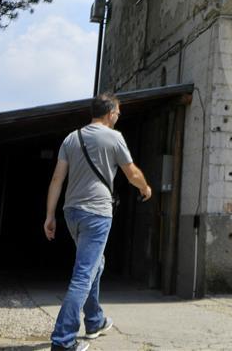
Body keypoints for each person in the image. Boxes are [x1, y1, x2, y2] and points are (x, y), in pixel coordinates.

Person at [44, 93, 152, 351]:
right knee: (84, 273)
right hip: (97, 213)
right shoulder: (114, 137)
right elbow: (131, 173)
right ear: (110, 113)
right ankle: (63, 341)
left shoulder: (72, 138)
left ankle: (94, 321)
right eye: (117, 113)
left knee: (95, 264)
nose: (118, 117)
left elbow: (57, 179)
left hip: (71, 213)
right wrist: (145, 188)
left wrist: (50, 215)